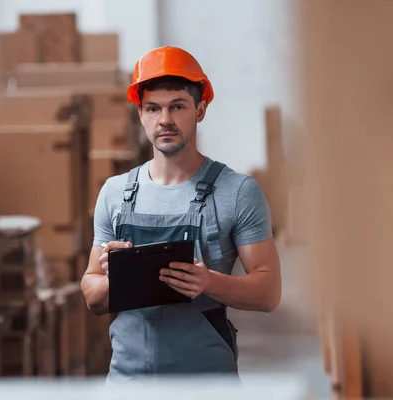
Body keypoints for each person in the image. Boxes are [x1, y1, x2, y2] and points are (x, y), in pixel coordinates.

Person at [80, 46, 282, 382]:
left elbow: (269, 292)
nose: (165, 120)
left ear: (200, 109)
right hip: (129, 383)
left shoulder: (237, 191)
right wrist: (114, 278)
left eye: (178, 106)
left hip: (206, 383)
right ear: (140, 114)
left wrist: (209, 282)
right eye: (152, 108)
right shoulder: (115, 193)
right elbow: (91, 293)